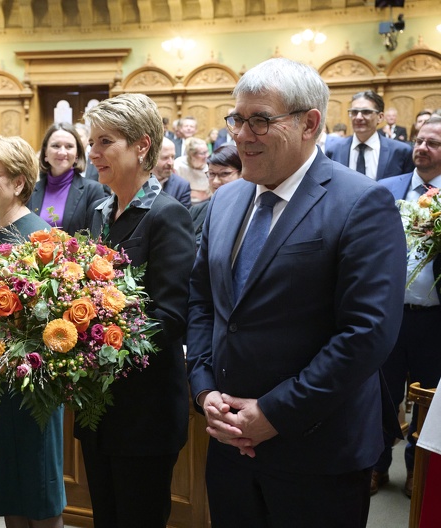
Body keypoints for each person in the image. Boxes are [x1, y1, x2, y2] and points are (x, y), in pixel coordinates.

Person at [186, 57, 406, 528]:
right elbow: (204, 303)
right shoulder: (226, 199)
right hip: (228, 442)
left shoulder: (362, 202)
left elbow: (366, 334)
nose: (242, 135)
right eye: (237, 119)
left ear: (310, 123)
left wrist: (274, 412)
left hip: (318, 449)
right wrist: (204, 390)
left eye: (260, 120)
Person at [77, 93, 195, 528]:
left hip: (144, 409)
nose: (93, 153)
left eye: (105, 142)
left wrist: (99, 342)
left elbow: (171, 316)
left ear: (142, 146)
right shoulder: (99, 212)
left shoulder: (167, 215)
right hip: (99, 405)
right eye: (92, 142)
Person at [0, 135, 67, 528]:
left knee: (39, 496)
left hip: (31, 389)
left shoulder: (41, 238)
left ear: (19, 182)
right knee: (9, 493)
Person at [374, 115, 441, 498]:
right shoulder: (387, 190)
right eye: (418, 140)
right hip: (388, 316)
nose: (421, 148)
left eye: (433, 143)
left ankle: (419, 469)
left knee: (428, 400)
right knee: (381, 394)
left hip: (433, 320)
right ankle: (376, 466)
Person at [28, 123, 105, 235]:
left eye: (69, 146)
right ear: (45, 152)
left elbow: (96, 239)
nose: (62, 152)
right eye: (56, 146)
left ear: (77, 153)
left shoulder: (93, 190)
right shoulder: (30, 191)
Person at [325, 91, 414, 180]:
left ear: (380, 117)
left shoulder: (400, 152)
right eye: (354, 112)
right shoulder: (334, 150)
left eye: (366, 112)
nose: (358, 117)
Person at [190, 144, 242, 246]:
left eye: (224, 174)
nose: (215, 181)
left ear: (242, 174)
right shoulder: (197, 210)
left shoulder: (248, 212)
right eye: (211, 174)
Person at [153, 139, 191, 209]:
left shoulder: (182, 186)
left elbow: (182, 218)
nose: (171, 163)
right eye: (165, 158)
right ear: (152, 158)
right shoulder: (137, 181)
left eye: (173, 157)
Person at [174, 137, 211, 204]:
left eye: (207, 151)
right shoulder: (178, 165)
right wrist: (195, 193)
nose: (207, 155)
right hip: (183, 203)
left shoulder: (210, 166)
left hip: (205, 203)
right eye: (203, 153)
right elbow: (175, 189)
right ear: (192, 155)